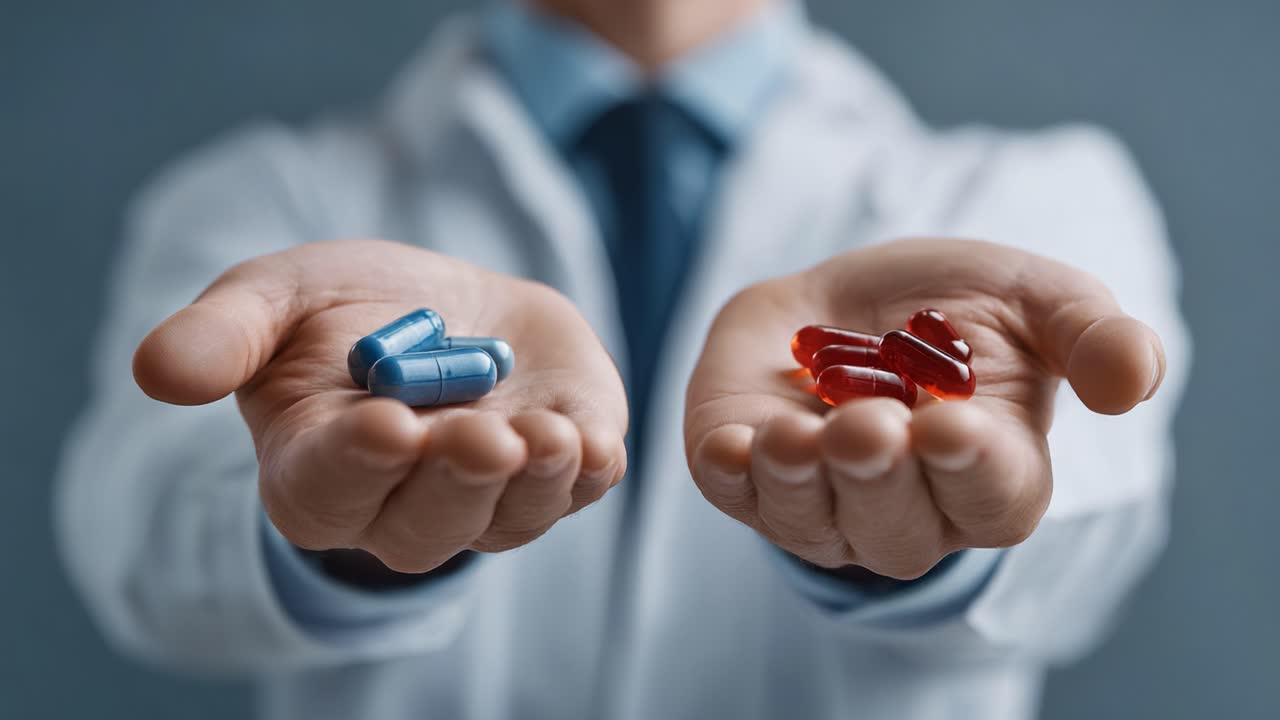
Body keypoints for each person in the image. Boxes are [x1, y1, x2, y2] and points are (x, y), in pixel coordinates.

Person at [55, 0, 1188, 718]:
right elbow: (140, 547)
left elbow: (1093, 527)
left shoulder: (1031, 194)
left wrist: (911, 539)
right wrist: (347, 539)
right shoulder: (264, 195)